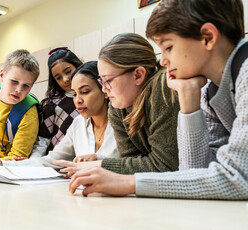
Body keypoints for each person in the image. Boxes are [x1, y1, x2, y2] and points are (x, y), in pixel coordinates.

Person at [68, 0, 248, 199]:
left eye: (168, 47)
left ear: (207, 37)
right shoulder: (209, 91)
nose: (162, 61)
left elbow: (237, 178)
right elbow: (193, 173)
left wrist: (129, 182)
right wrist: (189, 103)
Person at [54, 33, 180, 176]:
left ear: (138, 75)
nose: (104, 89)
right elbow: (129, 162)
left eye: (108, 80)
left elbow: (166, 165)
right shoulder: (117, 107)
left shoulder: (163, 88)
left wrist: (99, 165)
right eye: (101, 81)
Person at [0, 61, 119, 169]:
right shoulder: (78, 124)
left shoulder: (125, 122)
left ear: (105, 90)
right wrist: (2, 164)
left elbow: (137, 164)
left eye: (85, 91)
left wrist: (99, 161)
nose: (78, 100)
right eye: (74, 94)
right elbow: (52, 160)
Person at [28, 47, 82, 158]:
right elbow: (42, 140)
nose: (65, 79)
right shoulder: (52, 105)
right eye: (58, 77)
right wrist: (32, 163)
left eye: (68, 72)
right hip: (55, 161)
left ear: (78, 66)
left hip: (82, 161)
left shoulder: (93, 99)